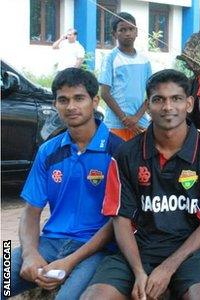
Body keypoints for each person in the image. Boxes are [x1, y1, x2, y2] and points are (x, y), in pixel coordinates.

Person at [82, 70, 200, 300]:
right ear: (148, 106)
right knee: (94, 297)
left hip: (193, 252)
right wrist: (139, 272)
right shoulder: (127, 153)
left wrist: (168, 268)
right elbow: (121, 218)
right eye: (159, 100)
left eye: (176, 99)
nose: (168, 107)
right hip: (138, 250)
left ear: (189, 104)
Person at [6, 68, 122, 299]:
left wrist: (69, 261)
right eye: (63, 100)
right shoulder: (48, 151)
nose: (71, 107)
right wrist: (29, 253)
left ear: (95, 101)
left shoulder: (118, 151)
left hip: (94, 250)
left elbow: (117, 221)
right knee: (5, 272)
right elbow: (30, 211)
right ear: (55, 104)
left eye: (79, 98)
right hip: (48, 242)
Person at [99, 12, 152, 141]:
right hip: (116, 124)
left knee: (139, 159)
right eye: (122, 30)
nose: (127, 33)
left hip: (140, 123)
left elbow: (152, 93)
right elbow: (105, 93)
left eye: (131, 29)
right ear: (114, 34)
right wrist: (124, 119)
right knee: (117, 158)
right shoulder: (111, 58)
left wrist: (136, 118)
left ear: (137, 31)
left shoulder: (144, 60)